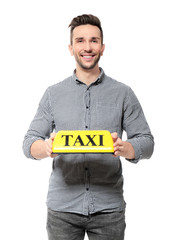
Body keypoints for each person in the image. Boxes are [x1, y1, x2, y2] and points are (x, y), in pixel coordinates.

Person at [23, 14, 154, 240]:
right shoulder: (53, 94)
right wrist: (46, 148)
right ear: (71, 47)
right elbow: (28, 143)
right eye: (80, 40)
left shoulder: (123, 93)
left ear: (102, 48)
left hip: (109, 210)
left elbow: (147, 142)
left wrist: (125, 148)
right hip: (62, 210)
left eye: (94, 40)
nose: (87, 47)